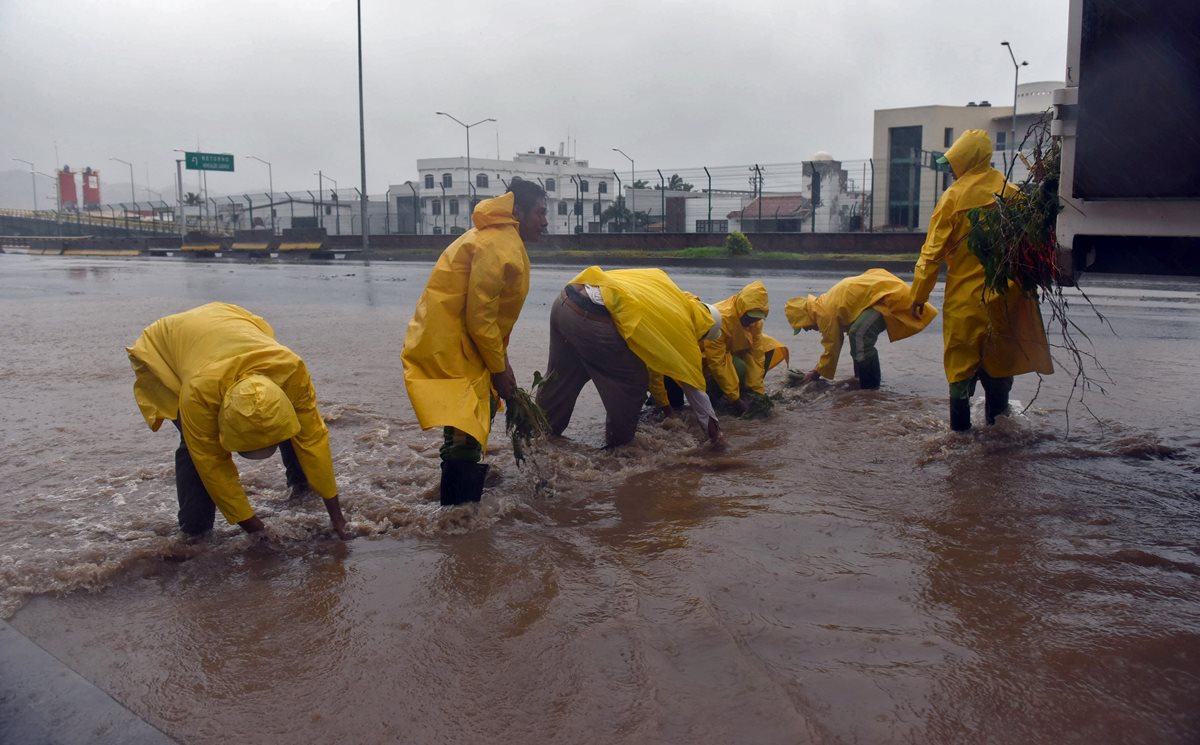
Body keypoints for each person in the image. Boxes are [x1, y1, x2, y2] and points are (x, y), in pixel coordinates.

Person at [127, 302, 348, 539]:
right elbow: (212, 463)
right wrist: (258, 531)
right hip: (164, 349)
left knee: (284, 415)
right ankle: (195, 531)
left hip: (230, 319)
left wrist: (337, 518)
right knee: (194, 449)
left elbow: (313, 439)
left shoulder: (291, 370)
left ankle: (302, 487)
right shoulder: (198, 394)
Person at [401, 180, 548, 505]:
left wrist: (502, 362)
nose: (545, 221)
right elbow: (480, 318)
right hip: (453, 345)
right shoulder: (499, 246)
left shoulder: (503, 242)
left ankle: (458, 510)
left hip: (461, 342)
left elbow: (491, 318)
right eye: (540, 213)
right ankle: (458, 520)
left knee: (467, 422)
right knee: (465, 427)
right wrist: (499, 369)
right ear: (518, 212)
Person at [909, 129, 1053, 431]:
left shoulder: (953, 198)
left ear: (964, 159)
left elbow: (931, 254)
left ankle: (958, 441)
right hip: (1006, 299)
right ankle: (998, 436)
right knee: (999, 369)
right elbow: (1034, 246)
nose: (950, 169)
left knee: (960, 372)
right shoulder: (1011, 193)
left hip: (965, 304)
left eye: (952, 162)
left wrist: (918, 297)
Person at [536, 266, 726, 448]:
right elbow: (696, 393)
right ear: (702, 331)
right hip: (593, 318)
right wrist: (715, 437)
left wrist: (665, 407)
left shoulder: (667, 290)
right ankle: (619, 450)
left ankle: (539, 435)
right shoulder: (684, 333)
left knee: (561, 377)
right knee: (633, 383)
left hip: (567, 299)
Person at [785, 268, 937, 388]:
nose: (806, 330)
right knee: (856, 336)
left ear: (806, 317)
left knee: (859, 335)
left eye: (803, 326)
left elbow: (832, 347)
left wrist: (815, 373)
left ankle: (870, 386)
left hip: (887, 298)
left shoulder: (823, 313)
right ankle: (860, 379)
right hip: (883, 294)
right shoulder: (823, 305)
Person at [702, 280, 790, 414]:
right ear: (741, 308)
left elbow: (757, 356)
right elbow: (717, 362)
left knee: (769, 346)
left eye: (757, 318)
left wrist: (756, 392)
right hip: (706, 360)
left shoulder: (755, 323)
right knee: (740, 367)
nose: (752, 322)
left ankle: (746, 391)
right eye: (749, 317)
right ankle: (714, 395)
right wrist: (735, 399)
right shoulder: (720, 319)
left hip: (731, 351)